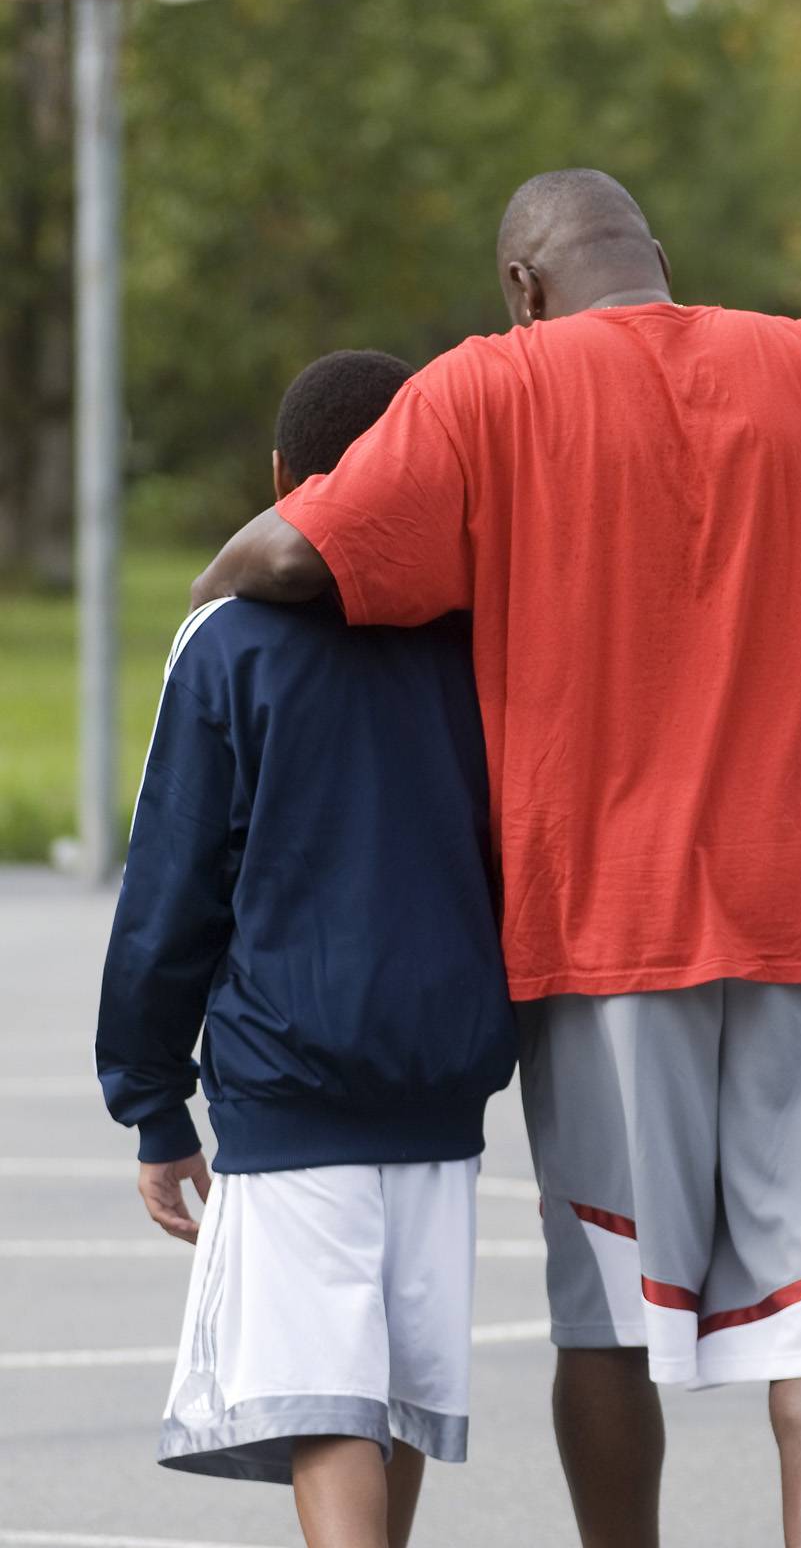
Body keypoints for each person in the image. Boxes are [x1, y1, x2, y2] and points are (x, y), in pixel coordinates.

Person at [190, 176, 801, 1548]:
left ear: (523, 285)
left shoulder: (485, 392)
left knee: (611, 1324)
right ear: (659, 263)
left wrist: (212, 630)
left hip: (602, 931)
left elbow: (281, 555)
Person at [96, 350, 516, 1548]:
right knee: (392, 1397)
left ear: (283, 479)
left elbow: (172, 882)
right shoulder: (478, 634)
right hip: (442, 1071)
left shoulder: (230, 640)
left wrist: (150, 1100)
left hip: (296, 1069)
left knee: (330, 1410)